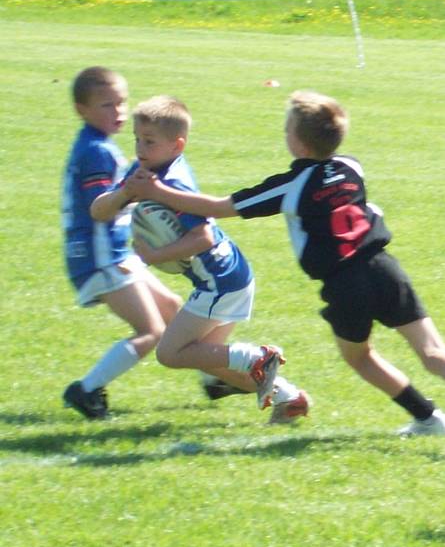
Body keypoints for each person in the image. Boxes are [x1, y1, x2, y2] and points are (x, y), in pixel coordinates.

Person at [128, 89, 445, 437]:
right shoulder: (351, 165)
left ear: (300, 146)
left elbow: (219, 207)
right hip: (385, 268)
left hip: (345, 285)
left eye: (287, 130)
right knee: (432, 353)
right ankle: (428, 421)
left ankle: (429, 418)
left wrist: (157, 192)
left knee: (361, 357)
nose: (285, 134)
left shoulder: (291, 186)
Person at [91, 95, 311, 423]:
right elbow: (98, 211)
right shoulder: (146, 172)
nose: (140, 147)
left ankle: (258, 357)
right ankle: (289, 398)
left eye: (149, 141)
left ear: (176, 145)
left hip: (219, 281)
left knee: (170, 352)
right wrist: (125, 194)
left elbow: (202, 238)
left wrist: (153, 256)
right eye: (137, 139)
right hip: (230, 276)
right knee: (210, 361)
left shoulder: (173, 184)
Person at [61, 66, 183, 419]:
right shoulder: (95, 152)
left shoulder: (99, 146)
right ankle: (85, 390)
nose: (117, 112)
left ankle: (213, 381)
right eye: (105, 105)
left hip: (115, 253)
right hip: (101, 258)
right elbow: (99, 209)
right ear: (81, 110)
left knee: (172, 307)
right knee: (151, 331)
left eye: (121, 103)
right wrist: (132, 190)